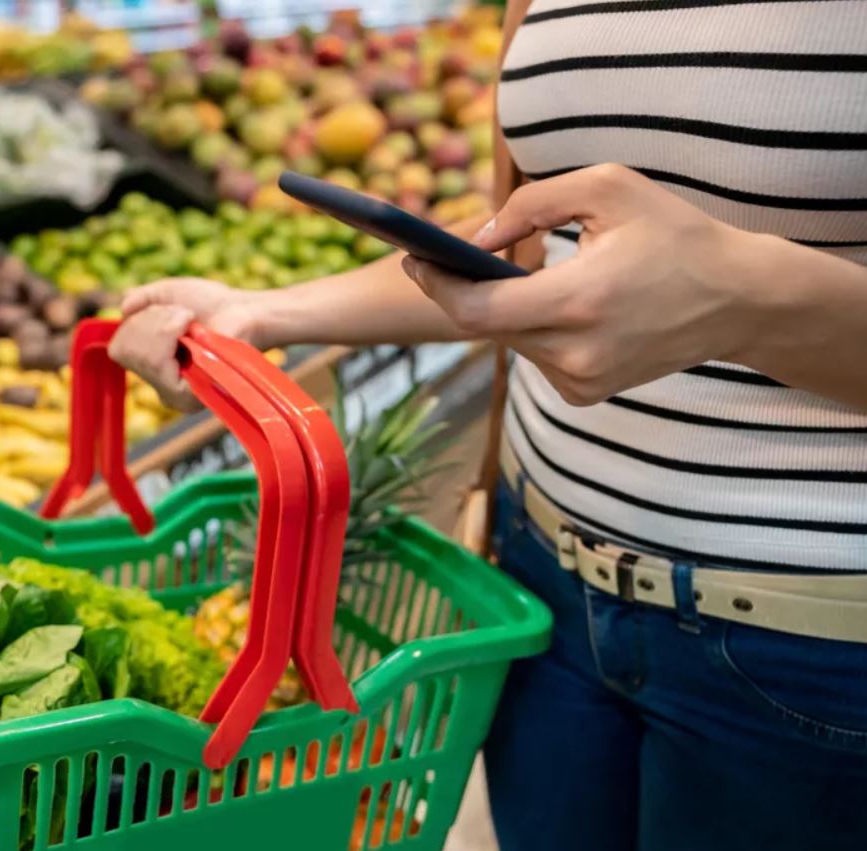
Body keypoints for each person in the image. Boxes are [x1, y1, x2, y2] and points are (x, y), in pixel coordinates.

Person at [107, 2, 867, 850]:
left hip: (816, 643)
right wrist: (264, 310)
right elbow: (516, 256)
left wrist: (744, 296)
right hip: (542, 591)